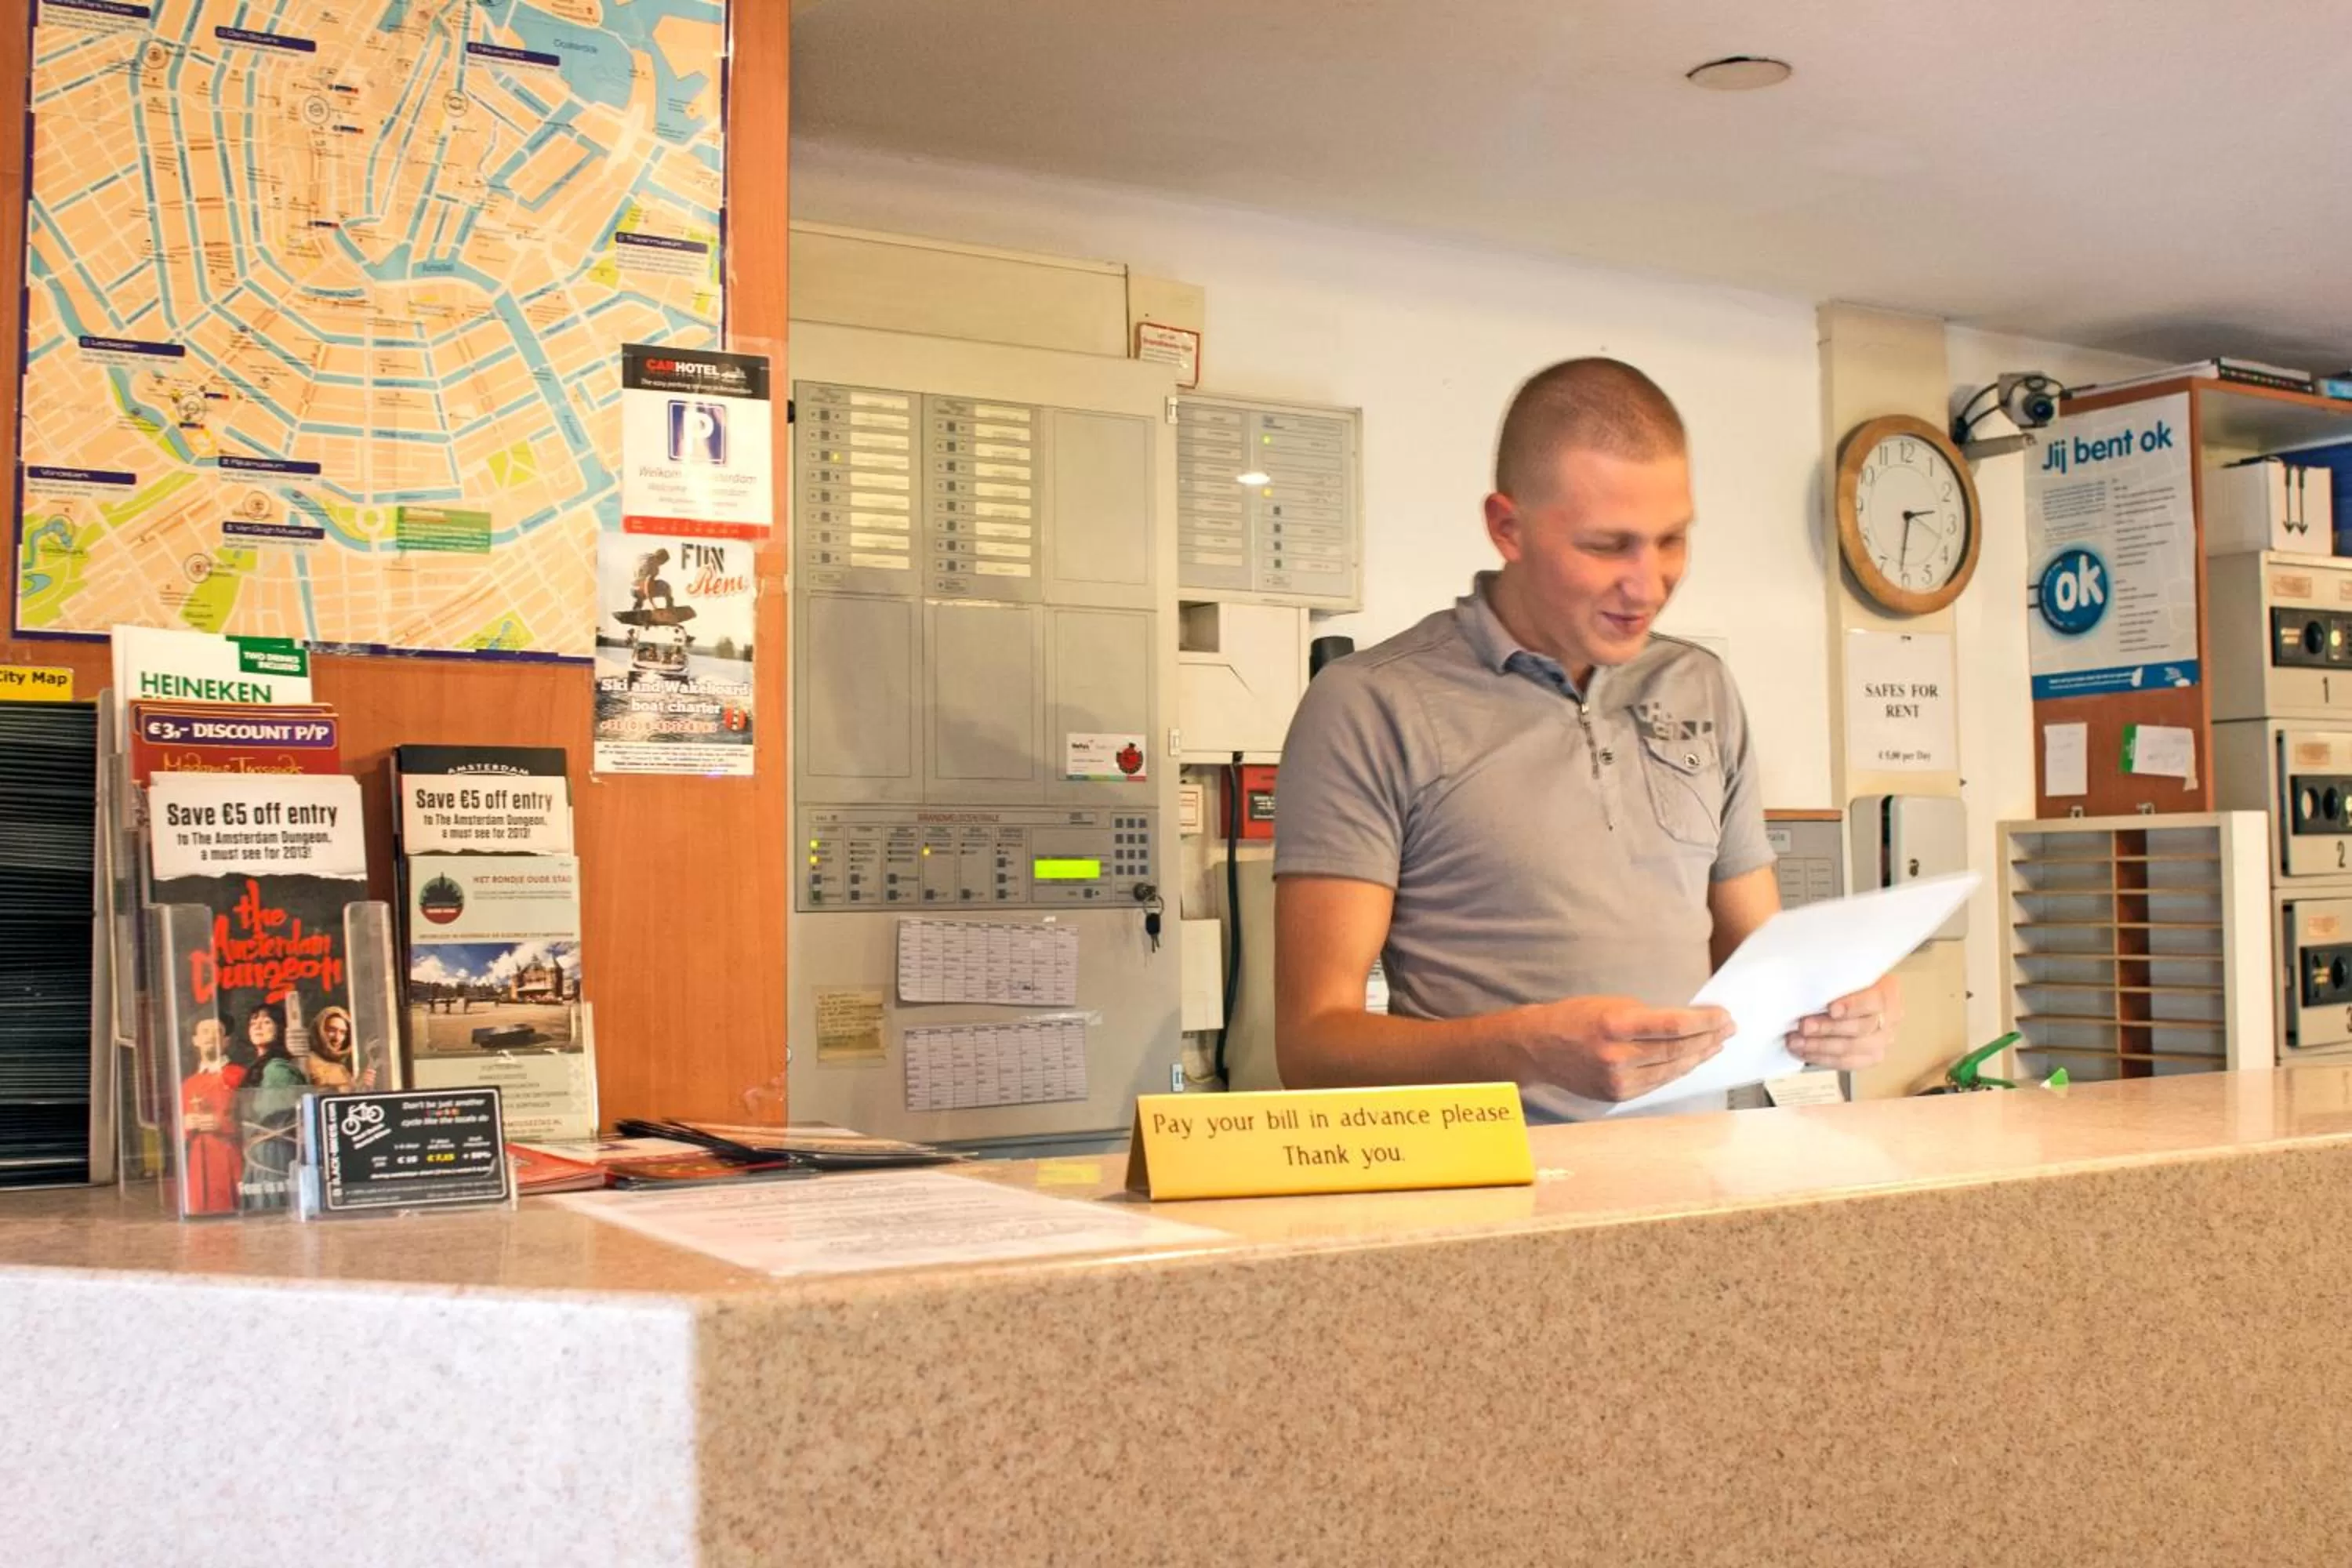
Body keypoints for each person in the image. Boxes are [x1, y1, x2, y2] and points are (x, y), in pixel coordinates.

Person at [1272, 358, 1900, 1116]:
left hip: (1698, 1173)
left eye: (1671, 540)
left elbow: (1757, 964)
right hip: (1492, 1179)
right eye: (1607, 546)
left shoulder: (1699, 685)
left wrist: (1838, 1010)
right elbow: (1312, 1049)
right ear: (1507, 527)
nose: (1648, 584)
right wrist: (1523, 1049)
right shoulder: (1372, 704)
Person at [176, 1018, 241, 1216]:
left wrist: (223, 1124)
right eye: (204, 1031)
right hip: (198, 1160)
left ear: (226, 1041)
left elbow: (252, 1119)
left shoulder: (239, 1075)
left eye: (216, 1032)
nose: (210, 1036)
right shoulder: (188, 1084)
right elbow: (174, 1127)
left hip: (228, 1155)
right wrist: (185, 1125)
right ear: (195, 1041)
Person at [305, 1005, 374, 1091]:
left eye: (343, 1032)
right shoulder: (307, 1063)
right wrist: (356, 1086)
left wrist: (364, 1085)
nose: (337, 1038)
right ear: (319, 1030)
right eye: (332, 1030)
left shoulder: (343, 1066)